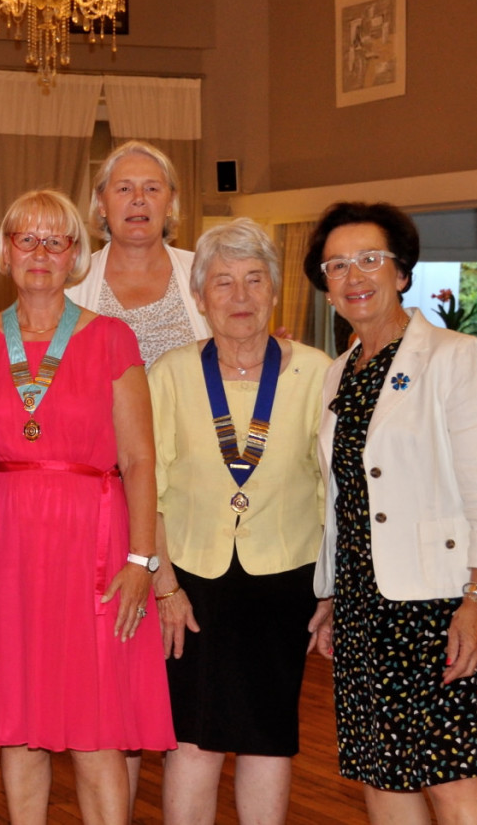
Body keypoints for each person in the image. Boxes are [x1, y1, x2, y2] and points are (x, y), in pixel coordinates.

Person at [0, 189, 174, 825]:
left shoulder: (110, 339)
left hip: (94, 549)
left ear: (75, 254)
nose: (40, 253)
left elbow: (141, 461)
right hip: (1, 548)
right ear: (5, 251)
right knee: (20, 722)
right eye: (26, 239)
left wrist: (142, 559)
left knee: (97, 724)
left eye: (57, 240)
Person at [303, 201, 477, 824]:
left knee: (450, 775)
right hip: (365, 605)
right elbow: (345, 500)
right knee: (379, 769)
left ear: (402, 272)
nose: (354, 276)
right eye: (337, 265)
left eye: (371, 259)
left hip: (437, 602)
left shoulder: (455, 356)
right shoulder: (339, 372)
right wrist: (332, 596)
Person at [147, 220, 331, 825]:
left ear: (275, 290)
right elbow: (146, 486)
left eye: (254, 280)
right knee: (193, 736)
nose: (240, 296)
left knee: (268, 734)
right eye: (222, 283)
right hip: (191, 579)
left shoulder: (316, 372)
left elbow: (334, 489)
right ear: (199, 298)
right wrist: (165, 584)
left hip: (284, 578)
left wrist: (331, 587)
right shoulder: (171, 373)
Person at [68, 140, 210, 368]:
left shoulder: (206, 273)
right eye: (124, 189)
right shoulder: (72, 284)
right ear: (101, 203)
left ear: (171, 202)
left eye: (151, 188)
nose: (138, 198)